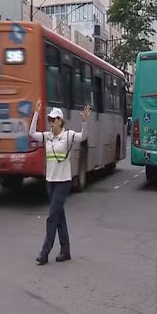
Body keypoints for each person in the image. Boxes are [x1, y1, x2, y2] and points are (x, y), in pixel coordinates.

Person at [29, 101, 91, 266]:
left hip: (63, 182)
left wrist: (84, 122)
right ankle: (66, 251)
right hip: (50, 181)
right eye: (49, 119)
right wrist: (36, 114)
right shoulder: (47, 136)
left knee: (52, 216)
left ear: (60, 121)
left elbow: (83, 137)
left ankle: (44, 252)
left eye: (54, 119)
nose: (51, 122)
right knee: (59, 217)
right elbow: (32, 133)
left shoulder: (68, 135)